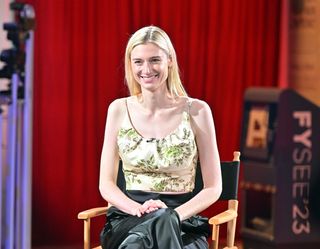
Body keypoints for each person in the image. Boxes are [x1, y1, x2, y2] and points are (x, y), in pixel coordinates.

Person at [99, 25, 222, 249]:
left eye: (154, 59)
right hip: (129, 216)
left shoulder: (198, 111)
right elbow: (106, 184)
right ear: (130, 64)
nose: (146, 69)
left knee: (140, 242)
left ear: (170, 60)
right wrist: (138, 209)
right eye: (138, 62)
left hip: (183, 219)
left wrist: (171, 214)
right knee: (142, 235)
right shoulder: (117, 109)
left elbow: (214, 187)